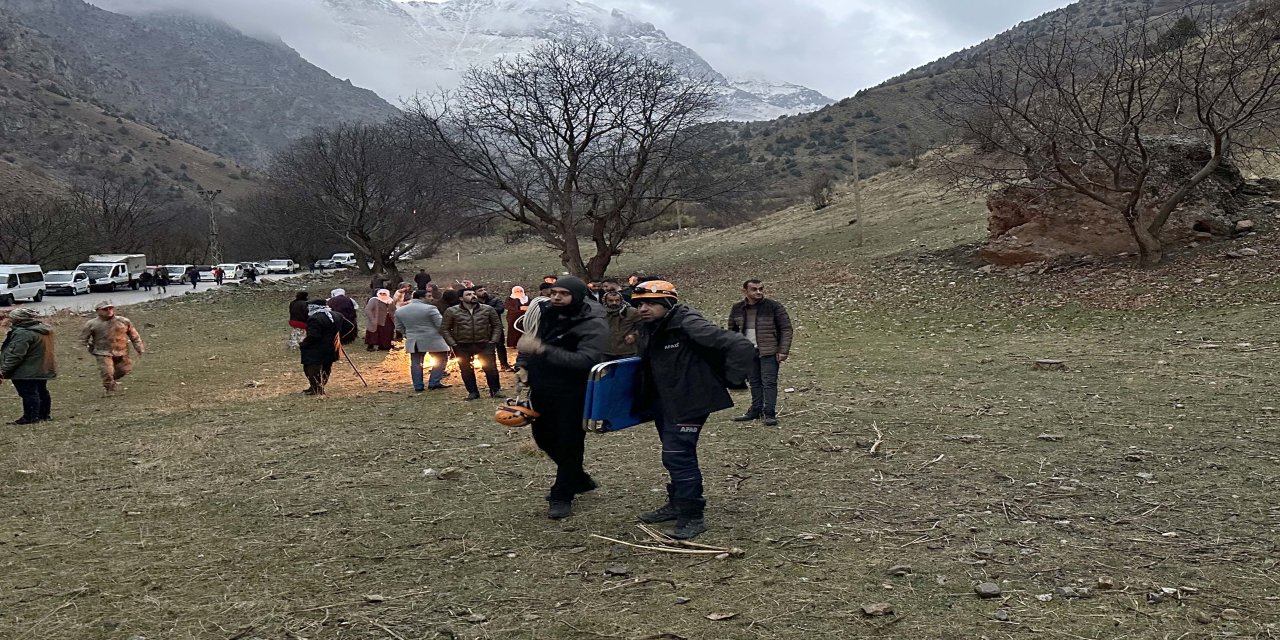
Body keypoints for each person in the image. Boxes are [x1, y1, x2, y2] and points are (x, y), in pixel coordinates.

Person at [631, 280, 754, 539]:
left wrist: (733, 379)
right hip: (665, 401)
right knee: (672, 455)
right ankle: (676, 504)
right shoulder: (649, 326)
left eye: (650, 303)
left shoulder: (688, 322)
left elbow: (740, 345)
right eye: (639, 303)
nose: (643, 308)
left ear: (667, 303)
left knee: (678, 455)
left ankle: (692, 514)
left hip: (690, 400)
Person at [514, 276, 607, 519]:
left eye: (563, 293)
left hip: (574, 391)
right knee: (543, 438)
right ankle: (579, 478)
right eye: (554, 292)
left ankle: (562, 494)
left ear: (576, 296)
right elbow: (533, 340)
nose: (556, 297)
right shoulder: (548, 312)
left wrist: (543, 350)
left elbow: (587, 360)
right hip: (542, 387)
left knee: (569, 441)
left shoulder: (593, 322)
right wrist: (523, 365)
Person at [728, 279, 794, 427]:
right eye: (754, 289)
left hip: (769, 351)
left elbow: (786, 329)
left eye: (761, 289)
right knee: (754, 382)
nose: (758, 292)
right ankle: (755, 410)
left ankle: (769, 413)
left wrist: (783, 350)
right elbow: (732, 331)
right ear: (745, 291)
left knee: (769, 382)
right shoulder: (737, 308)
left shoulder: (773, 307)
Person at [441, 288, 503, 400]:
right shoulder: (451, 311)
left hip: (484, 343)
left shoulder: (488, 309)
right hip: (462, 345)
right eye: (469, 294)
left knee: (491, 368)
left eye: (474, 294)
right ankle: (473, 392)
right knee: (466, 370)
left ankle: (495, 390)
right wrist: (453, 344)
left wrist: (493, 341)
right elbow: (445, 329)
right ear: (461, 298)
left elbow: (497, 325)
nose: (473, 296)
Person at [0, 308, 56, 424]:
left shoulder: (23, 333)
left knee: (28, 393)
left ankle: (30, 417)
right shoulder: (42, 330)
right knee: (41, 391)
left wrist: (3, 370)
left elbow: (15, 355)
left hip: (26, 370)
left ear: (18, 320)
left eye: (12, 318)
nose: (10, 320)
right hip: (41, 367)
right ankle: (44, 415)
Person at [80, 301, 145, 395]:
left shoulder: (124, 321)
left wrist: (139, 348)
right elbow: (82, 340)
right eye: (105, 309)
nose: (108, 311)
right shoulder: (91, 324)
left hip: (122, 351)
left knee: (124, 369)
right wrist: (82, 353)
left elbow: (134, 336)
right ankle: (110, 389)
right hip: (102, 352)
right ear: (98, 311)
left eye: (110, 308)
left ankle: (111, 381)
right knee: (107, 371)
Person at [394, 290, 451, 392]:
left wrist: (408, 334)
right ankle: (434, 382)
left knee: (416, 363)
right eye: (428, 296)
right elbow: (440, 324)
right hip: (433, 339)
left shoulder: (400, 310)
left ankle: (418, 386)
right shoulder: (430, 308)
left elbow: (399, 327)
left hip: (413, 340)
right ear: (421, 298)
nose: (431, 298)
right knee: (441, 359)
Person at [299, 300, 340, 395]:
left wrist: (303, 343)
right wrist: (338, 338)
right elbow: (349, 326)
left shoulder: (315, 318)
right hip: (332, 347)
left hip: (316, 349)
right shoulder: (336, 315)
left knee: (311, 368)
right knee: (326, 367)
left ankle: (316, 388)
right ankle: (317, 386)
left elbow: (314, 336)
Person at [476, 284, 512, 371]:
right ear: (475, 293)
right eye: (480, 291)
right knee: (484, 347)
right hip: (481, 328)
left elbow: (500, 309)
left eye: (484, 289)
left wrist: (484, 310)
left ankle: (504, 364)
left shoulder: (495, 299)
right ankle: (487, 365)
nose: (484, 291)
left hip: (496, 327)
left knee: (500, 346)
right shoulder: (473, 302)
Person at [602, 290, 639, 359]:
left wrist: (634, 336)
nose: (614, 303)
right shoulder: (600, 313)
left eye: (617, 300)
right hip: (606, 352)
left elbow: (643, 326)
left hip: (627, 351)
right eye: (610, 300)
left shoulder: (632, 312)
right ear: (605, 301)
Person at [505, 286, 529, 353]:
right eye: (517, 291)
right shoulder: (510, 299)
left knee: (524, 330)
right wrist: (519, 308)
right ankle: (513, 344)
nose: (519, 293)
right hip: (513, 317)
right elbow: (508, 306)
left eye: (520, 291)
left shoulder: (527, 299)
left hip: (525, 316)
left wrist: (527, 307)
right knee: (513, 331)